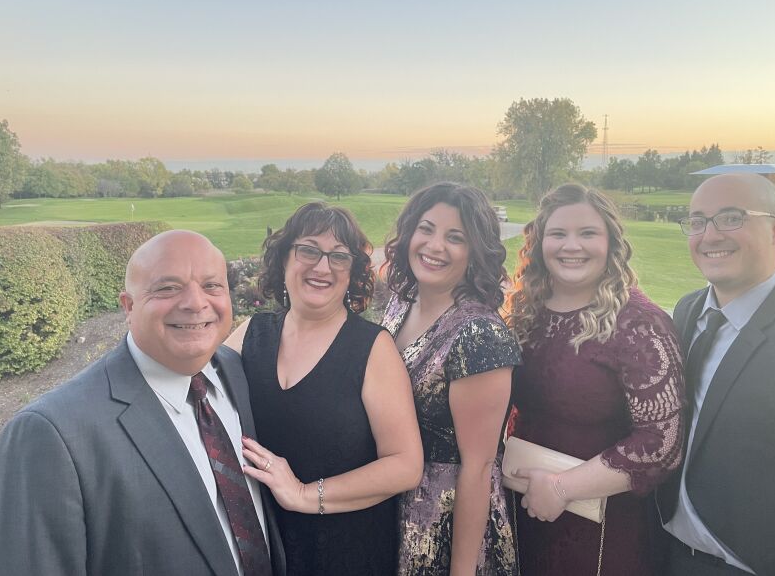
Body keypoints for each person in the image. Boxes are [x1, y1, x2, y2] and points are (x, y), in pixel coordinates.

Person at [0, 230, 286, 576]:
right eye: (168, 288)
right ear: (129, 307)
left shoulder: (235, 372)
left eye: (212, 286)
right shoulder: (51, 433)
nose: (196, 303)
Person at [224, 202, 423, 576]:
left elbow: (405, 466)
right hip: (264, 548)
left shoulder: (371, 348)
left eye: (339, 257)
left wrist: (303, 494)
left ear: (352, 275)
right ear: (284, 259)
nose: (322, 266)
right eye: (308, 250)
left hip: (345, 553)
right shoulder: (249, 334)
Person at [657, 173, 775, 575]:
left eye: (731, 217)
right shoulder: (687, 312)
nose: (710, 235)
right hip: (667, 554)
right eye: (699, 221)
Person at [504, 183, 686, 575]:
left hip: (602, 523)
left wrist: (562, 488)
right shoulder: (524, 310)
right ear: (539, 243)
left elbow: (661, 443)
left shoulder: (638, 323)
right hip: (523, 504)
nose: (572, 246)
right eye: (558, 234)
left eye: (587, 233)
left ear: (611, 243)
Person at [380, 182, 522, 576]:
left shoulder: (480, 336)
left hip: (445, 525)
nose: (434, 245)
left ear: (475, 252)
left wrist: (461, 571)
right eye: (426, 229)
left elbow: (478, 466)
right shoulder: (399, 304)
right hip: (391, 503)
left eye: (454, 237)